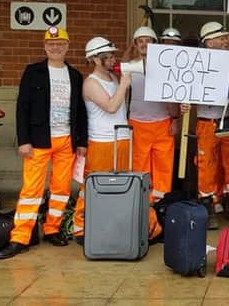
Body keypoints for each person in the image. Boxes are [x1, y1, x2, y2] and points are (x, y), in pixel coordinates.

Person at [0, 27, 88, 259]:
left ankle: (52, 229)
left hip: (67, 140)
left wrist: (82, 141)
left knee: (61, 189)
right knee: (31, 190)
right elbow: (22, 108)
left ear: (67, 46)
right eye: (51, 43)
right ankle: (21, 237)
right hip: (38, 141)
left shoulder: (75, 75)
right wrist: (24, 140)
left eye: (60, 43)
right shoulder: (33, 72)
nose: (55, 47)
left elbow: (81, 112)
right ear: (45, 46)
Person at [72, 37, 134, 244]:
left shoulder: (113, 79)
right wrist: (125, 83)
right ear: (96, 60)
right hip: (101, 142)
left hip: (121, 139)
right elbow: (111, 106)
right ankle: (81, 230)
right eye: (108, 57)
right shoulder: (91, 83)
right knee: (94, 187)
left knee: (120, 187)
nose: (113, 60)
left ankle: (111, 226)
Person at [196, 21, 229, 228]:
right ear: (209, 42)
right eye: (222, 38)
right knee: (207, 166)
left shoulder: (228, 59)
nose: (226, 41)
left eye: (226, 37)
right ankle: (209, 205)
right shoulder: (195, 63)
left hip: (227, 120)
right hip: (206, 121)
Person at [128, 26, 179, 204]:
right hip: (138, 124)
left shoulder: (166, 67)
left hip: (163, 122)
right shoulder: (129, 67)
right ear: (135, 44)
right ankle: (143, 204)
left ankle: (161, 204)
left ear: (154, 43)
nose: (144, 44)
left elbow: (174, 94)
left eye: (148, 40)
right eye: (140, 41)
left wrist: (176, 118)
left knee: (164, 166)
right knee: (140, 166)